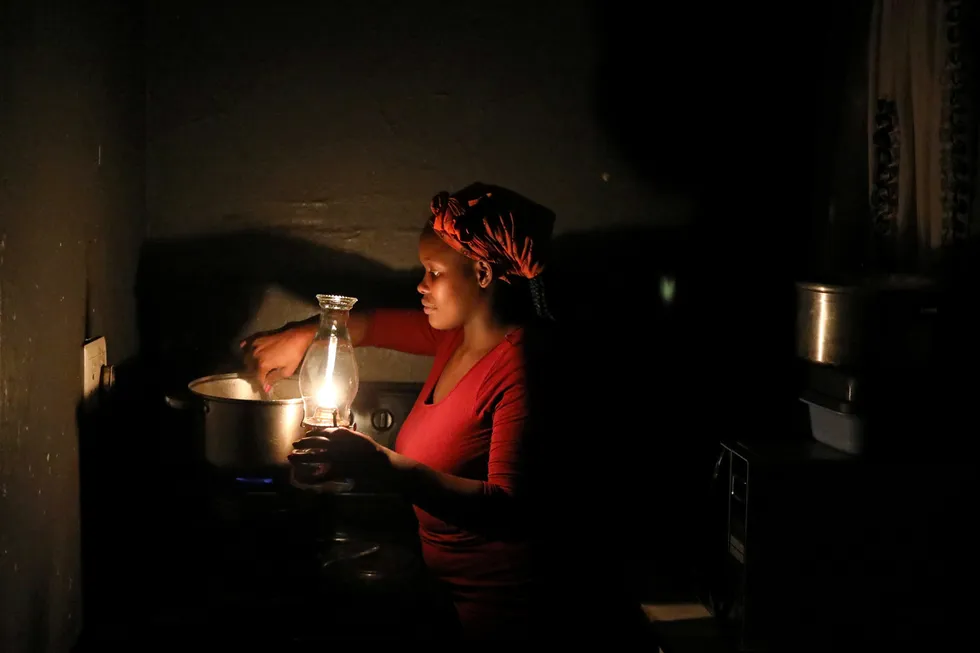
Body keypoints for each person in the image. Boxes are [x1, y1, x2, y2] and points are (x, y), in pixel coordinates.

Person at [241, 183, 649, 642]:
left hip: (505, 614)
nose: (421, 285)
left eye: (434, 272)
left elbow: (508, 509)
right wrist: (304, 332)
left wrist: (380, 464)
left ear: (481, 273)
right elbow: (371, 324)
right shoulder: (453, 338)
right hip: (447, 591)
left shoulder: (522, 362)